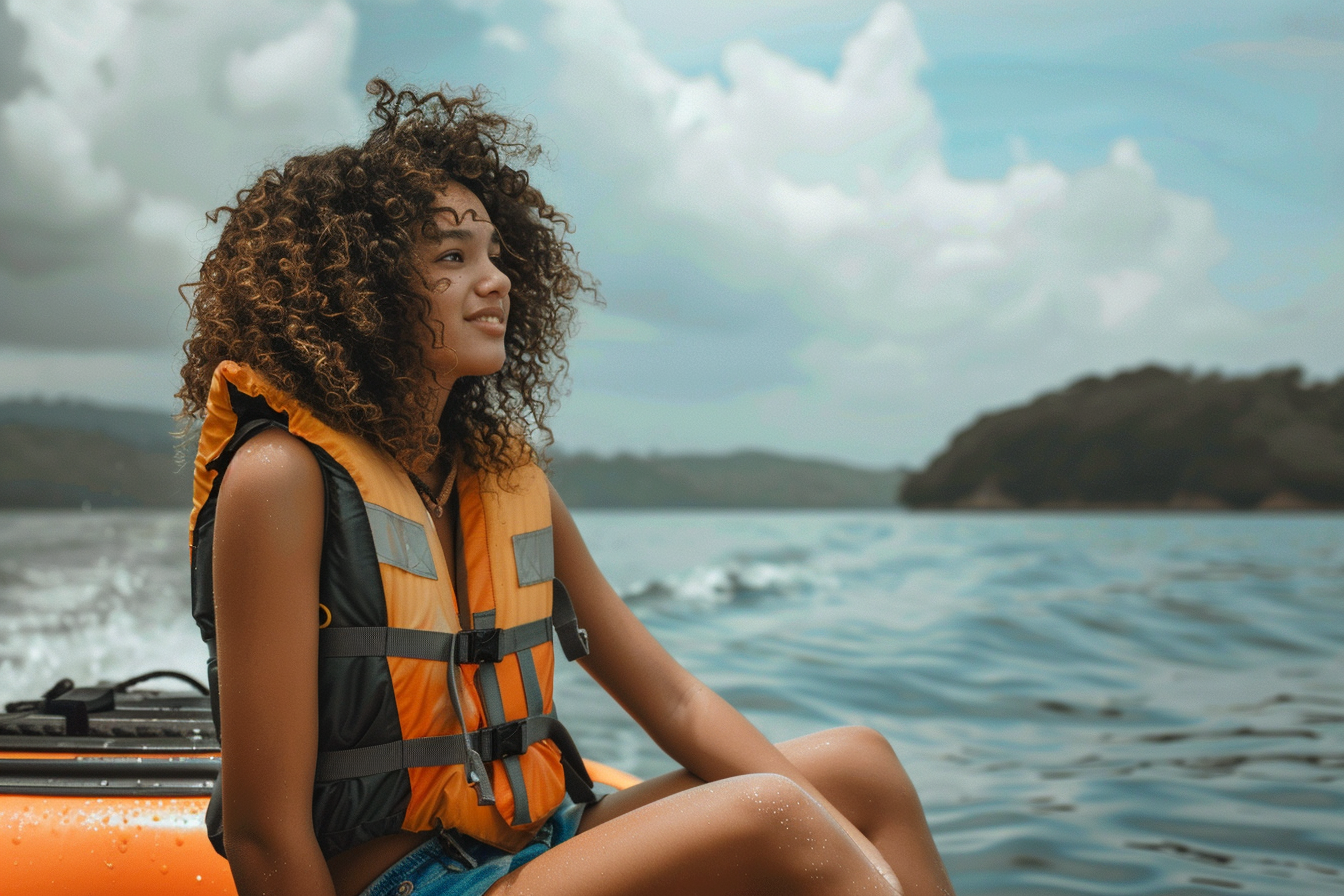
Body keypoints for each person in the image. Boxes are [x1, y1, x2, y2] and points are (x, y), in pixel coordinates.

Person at [178, 79, 956, 896]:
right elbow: (265, 834)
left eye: (495, 255)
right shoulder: (281, 477)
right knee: (770, 814)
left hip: (538, 846)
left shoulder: (502, 478)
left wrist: (830, 830)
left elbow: (677, 703)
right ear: (358, 289)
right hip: (409, 883)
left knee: (861, 770)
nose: (496, 281)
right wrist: (808, 837)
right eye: (453, 258)